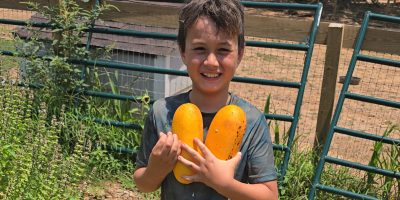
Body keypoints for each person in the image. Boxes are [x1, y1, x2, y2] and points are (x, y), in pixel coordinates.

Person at [133, 0, 278, 199]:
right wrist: (155, 170)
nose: (211, 62)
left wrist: (223, 183)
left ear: (240, 54)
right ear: (183, 52)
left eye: (223, 50)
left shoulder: (252, 121)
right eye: (200, 49)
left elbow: (270, 195)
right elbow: (142, 183)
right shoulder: (162, 112)